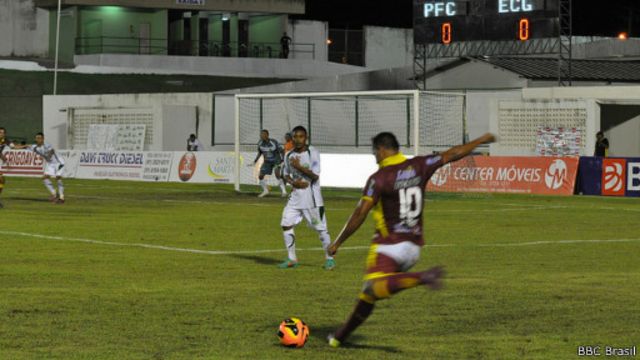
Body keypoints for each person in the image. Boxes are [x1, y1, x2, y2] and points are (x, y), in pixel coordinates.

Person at [326, 131, 496, 347]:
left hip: (388, 246)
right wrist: (481, 140)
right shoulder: (420, 165)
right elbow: (453, 154)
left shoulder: (379, 178)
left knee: (371, 287)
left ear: (381, 150)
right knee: (368, 295)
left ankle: (422, 277)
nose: (375, 157)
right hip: (413, 248)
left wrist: (338, 242)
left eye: (375, 153)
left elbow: (360, 213)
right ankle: (340, 337)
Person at [279, 125, 335, 270]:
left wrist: (298, 167)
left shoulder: (313, 153)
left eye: (301, 137)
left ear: (306, 137)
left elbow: (315, 176)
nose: (298, 140)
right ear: (292, 138)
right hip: (295, 199)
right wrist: (293, 182)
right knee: (286, 224)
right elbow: (284, 174)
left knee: (321, 229)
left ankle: (329, 259)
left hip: (312, 200)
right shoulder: (288, 155)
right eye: (295, 137)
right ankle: (292, 259)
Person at [16, 133, 66, 204]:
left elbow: (52, 151)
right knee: (45, 178)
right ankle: (54, 194)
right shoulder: (35, 147)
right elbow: (27, 146)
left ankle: (61, 198)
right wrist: (16, 147)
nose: (38, 139)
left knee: (58, 177)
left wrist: (49, 154)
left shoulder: (46, 144)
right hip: (50, 164)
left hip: (59, 162)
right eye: (37, 138)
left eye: (39, 138)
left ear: (43, 139)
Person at [254, 130, 286, 197]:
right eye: (261, 134)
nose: (261, 136)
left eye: (263, 134)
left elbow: (282, 151)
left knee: (277, 173)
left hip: (276, 160)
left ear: (267, 135)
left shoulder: (273, 142)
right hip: (267, 161)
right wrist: (255, 160)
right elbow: (260, 152)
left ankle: (284, 192)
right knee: (260, 176)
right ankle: (265, 191)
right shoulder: (260, 143)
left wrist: (283, 160)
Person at [274, 133, 294, 198]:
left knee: (285, 176)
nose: (285, 138)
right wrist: (282, 159)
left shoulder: (293, 143)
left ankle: (294, 190)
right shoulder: (286, 144)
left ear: (290, 137)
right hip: (285, 162)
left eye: (287, 137)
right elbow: (284, 153)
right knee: (277, 171)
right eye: (285, 137)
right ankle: (284, 192)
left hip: (291, 163)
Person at [0, 127, 15, 209]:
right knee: (1, 179)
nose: (1, 134)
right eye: (0, 132)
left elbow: (13, 146)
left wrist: (25, 146)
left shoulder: (5, 140)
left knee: (2, 180)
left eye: (2, 132)